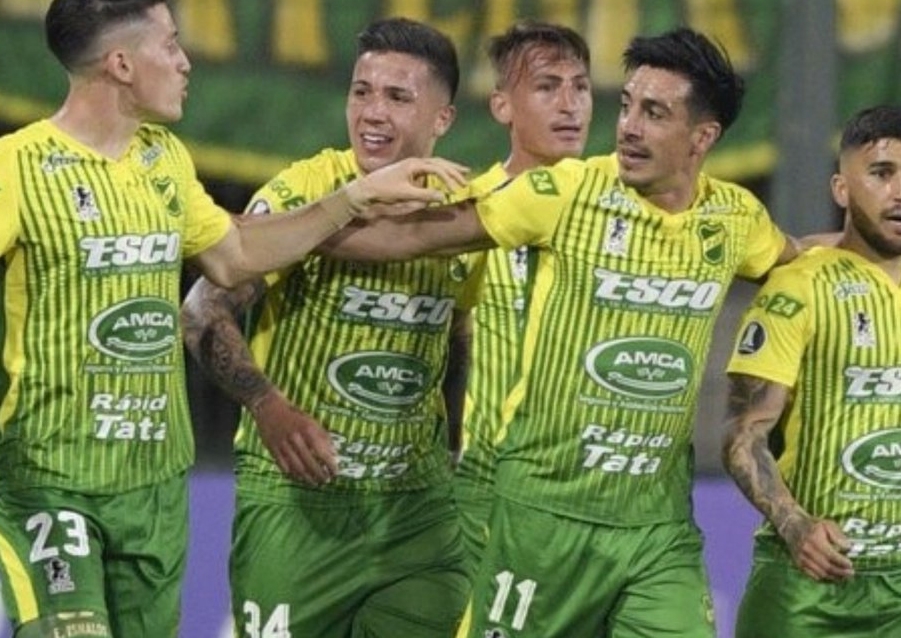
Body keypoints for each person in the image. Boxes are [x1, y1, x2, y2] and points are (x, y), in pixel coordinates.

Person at [0, 2, 464, 637]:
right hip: (49, 481)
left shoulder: (164, 159)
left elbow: (236, 253)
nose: (185, 62)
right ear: (122, 64)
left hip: (155, 488)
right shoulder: (17, 167)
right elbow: (209, 307)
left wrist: (354, 197)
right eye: (170, 45)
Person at [322, 27, 803, 636]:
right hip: (539, 515)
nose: (627, 127)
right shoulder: (567, 190)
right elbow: (414, 238)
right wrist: (286, 234)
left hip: (658, 532)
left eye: (653, 113)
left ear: (702, 137)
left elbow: (802, 259)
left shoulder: (734, 218)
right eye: (626, 105)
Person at [181, 17, 479, 638]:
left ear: (443, 119)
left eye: (397, 97)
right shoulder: (305, 191)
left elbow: (461, 335)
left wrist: (458, 447)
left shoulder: (466, 213)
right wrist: (269, 408)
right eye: (361, 91)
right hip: (294, 507)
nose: (372, 112)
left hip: (416, 516)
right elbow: (202, 312)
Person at [723, 105, 901, 637]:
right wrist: (795, 525)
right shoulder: (798, 288)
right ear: (841, 189)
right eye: (881, 173)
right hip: (806, 589)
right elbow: (742, 435)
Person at [453, 19, 594, 579]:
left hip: (600, 496)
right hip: (491, 487)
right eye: (546, 87)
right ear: (501, 107)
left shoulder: (621, 207)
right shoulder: (467, 212)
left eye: (580, 86)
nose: (569, 105)